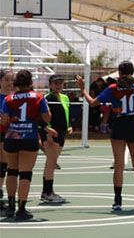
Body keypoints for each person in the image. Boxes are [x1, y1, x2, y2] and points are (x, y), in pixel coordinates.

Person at [76, 52, 134, 211]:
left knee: (119, 166)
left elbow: (92, 103)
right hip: (133, 125)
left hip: (119, 125)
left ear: (119, 73)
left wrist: (82, 88)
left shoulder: (113, 88)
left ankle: (118, 201)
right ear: (132, 72)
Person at [1, 70, 56, 220]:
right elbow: (47, 118)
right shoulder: (38, 97)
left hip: (12, 136)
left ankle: (11, 206)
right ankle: (22, 209)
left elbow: (4, 121)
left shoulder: (9, 98)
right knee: (25, 173)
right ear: (30, 82)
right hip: (29, 137)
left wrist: (13, 119)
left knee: (11, 171)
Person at [40, 75, 73, 203]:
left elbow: (66, 113)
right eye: (56, 83)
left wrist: (69, 125)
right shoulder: (47, 99)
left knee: (52, 163)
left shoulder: (65, 98)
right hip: (51, 134)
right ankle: (47, 192)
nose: (58, 85)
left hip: (61, 133)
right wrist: (48, 133)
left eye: (61, 83)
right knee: (51, 163)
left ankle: (48, 191)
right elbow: (43, 117)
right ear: (50, 85)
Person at [0, 69, 14, 211]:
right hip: (2, 133)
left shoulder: (14, 98)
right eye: (6, 80)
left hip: (11, 135)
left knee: (5, 165)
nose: (10, 83)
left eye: (12, 80)